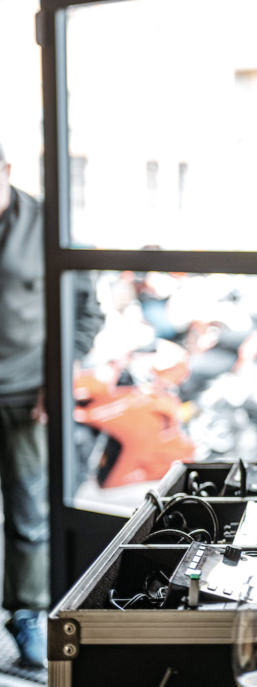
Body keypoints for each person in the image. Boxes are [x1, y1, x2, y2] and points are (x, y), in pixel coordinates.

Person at [0, 142, 102, 667]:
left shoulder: (47, 226)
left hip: (26, 397)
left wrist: (58, 376)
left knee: (29, 516)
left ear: (6, 171)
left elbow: (87, 313)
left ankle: (26, 615)